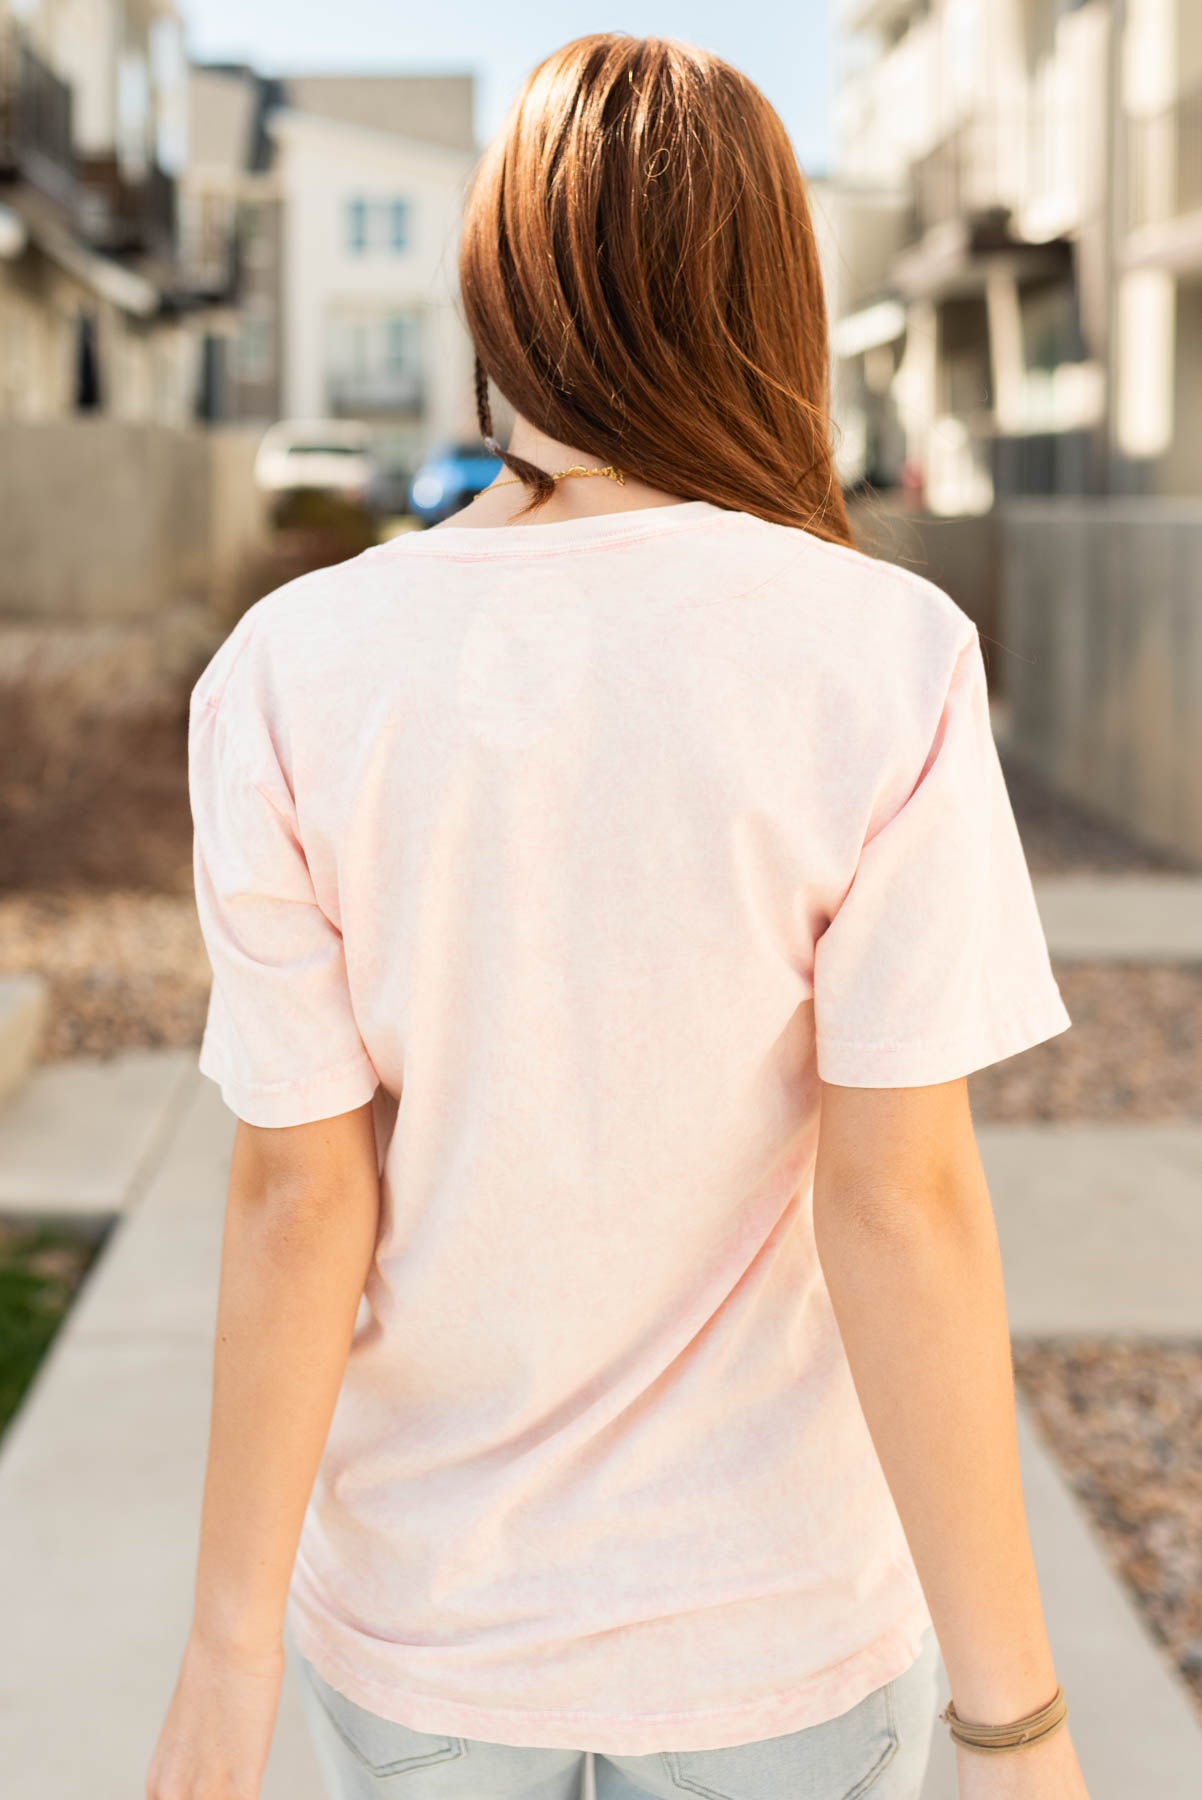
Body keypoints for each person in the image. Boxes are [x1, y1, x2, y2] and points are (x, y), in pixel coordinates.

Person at [148, 32, 1091, 1800]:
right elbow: (904, 1211)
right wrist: (1014, 1724)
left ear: (496, 295)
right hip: (778, 1634)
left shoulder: (293, 671)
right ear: (767, 296)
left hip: (430, 1628)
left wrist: (225, 1659)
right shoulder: (877, 660)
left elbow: (299, 1195)